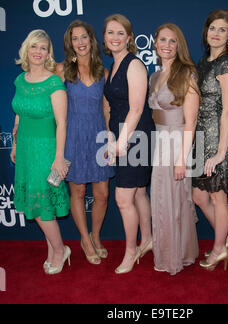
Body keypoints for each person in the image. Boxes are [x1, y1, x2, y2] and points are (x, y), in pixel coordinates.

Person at [11, 30, 71, 275]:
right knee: (40, 205)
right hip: (25, 148)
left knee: (39, 204)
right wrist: (14, 143)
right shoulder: (20, 80)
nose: (38, 52)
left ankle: (60, 250)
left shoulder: (54, 82)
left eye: (43, 48)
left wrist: (58, 158)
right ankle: (53, 250)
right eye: (34, 47)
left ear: (48, 53)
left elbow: (62, 123)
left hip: (45, 150)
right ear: (27, 49)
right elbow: (19, 115)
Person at [56, 20, 114, 265]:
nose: (79, 42)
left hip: (99, 136)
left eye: (83, 37)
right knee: (77, 191)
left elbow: (106, 108)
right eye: (74, 38)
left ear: (91, 39)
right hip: (73, 138)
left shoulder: (104, 72)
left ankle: (96, 235)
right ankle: (85, 240)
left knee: (102, 194)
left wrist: (110, 138)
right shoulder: (62, 71)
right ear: (70, 43)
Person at [103, 14, 155, 274]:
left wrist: (121, 142)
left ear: (129, 37)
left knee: (123, 197)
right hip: (123, 134)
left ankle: (131, 251)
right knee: (138, 193)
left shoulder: (134, 64)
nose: (114, 38)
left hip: (136, 136)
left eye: (120, 33)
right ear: (104, 37)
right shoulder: (113, 65)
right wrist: (111, 136)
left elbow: (136, 108)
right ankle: (147, 239)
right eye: (110, 33)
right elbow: (114, 108)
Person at [149, 23, 200, 275]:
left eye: (172, 41)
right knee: (161, 199)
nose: (166, 45)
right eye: (162, 40)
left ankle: (177, 256)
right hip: (160, 141)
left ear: (179, 45)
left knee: (176, 199)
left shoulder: (187, 73)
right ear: (155, 43)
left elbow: (190, 121)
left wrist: (182, 159)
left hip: (179, 140)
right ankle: (170, 252)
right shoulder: (154, 77)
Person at [192, 9, 228, 271]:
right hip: (199, 141)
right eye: (213, 28)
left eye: (223, 29)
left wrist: (220, 153)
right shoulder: (203, 62)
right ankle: (226, 239)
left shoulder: (226, 63)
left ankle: (219, 248)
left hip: (217, 141)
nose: (216, 33)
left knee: (219, 199)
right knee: (199, 196)